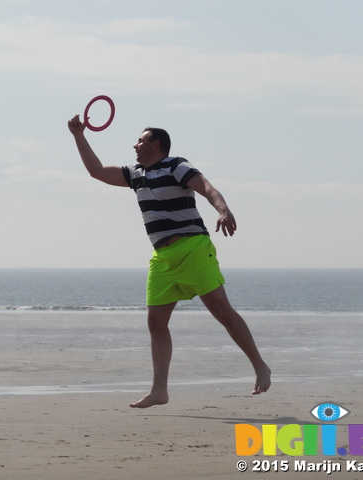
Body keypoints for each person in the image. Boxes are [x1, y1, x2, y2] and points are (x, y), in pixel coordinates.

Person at [68, 116, 271, 408]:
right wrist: (78, 135)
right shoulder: (134, 173)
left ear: (156, 144)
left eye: (140, 140)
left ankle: (260, 366)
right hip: (161, 256)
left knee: (221, 310)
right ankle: (159, 391)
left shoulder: (176, 165)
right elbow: (97, 171)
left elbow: (207, 188)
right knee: (155, 322)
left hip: (193, 247)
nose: (135, 145)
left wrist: (223, 210)